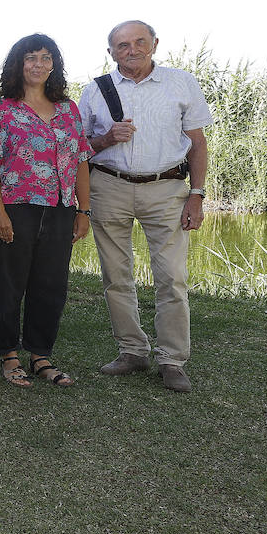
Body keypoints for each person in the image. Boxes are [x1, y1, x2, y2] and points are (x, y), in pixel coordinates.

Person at [77, 20, 213, 392]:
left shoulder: (180, 83)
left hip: (166, 187)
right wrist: (105, 138)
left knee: (172, 276)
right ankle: (132, 351)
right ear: (111, 53)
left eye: (139, 42)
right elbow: (77, 148)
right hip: (109, 186)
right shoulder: (93, 91)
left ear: (154, 43)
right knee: (116, 276)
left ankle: (172, 359)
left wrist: (197, 194)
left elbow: (198, 143)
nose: (132, 50)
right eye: (122, 45)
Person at [0, 34, 91, 387]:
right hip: (13, 208)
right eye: (31, 58)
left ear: (54, 64)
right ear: (18, 64)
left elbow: (81, 160)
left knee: (50, 285)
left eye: (45, 57)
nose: (38, 64)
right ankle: (9, 355)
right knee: (9, 284)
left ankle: (40, 355)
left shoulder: (68, 110)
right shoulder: (1, 111)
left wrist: (83, 211)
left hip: (60, 209)